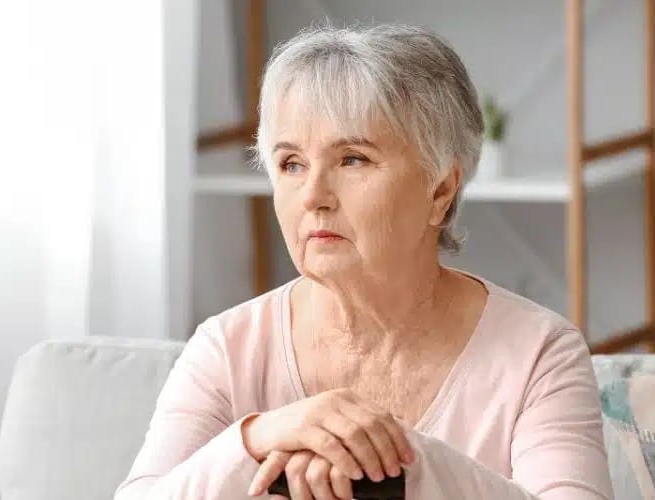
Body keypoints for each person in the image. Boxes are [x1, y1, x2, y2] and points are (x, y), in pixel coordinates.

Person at [115, 23, 613, 500]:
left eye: (352, 159)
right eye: (291, 164)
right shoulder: (226, 348)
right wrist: (260, 437)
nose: (312, 195)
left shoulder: (539, 354)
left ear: (440, 189)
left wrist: (387, 453)